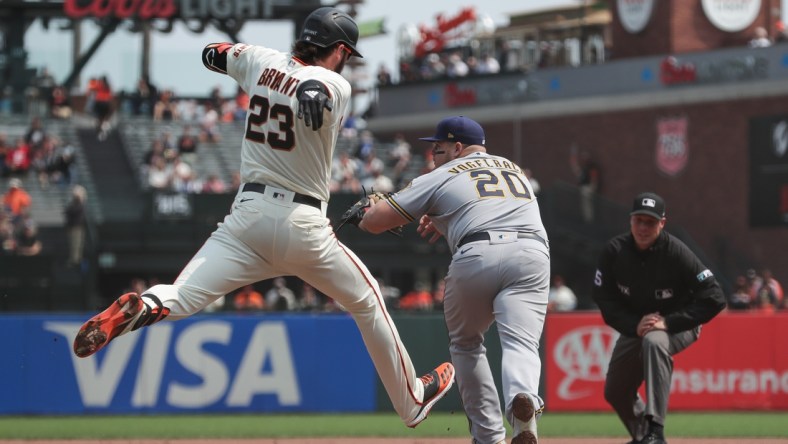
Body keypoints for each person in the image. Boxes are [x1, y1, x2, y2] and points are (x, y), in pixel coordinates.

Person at [71, 6, 454, 429]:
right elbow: (321, 92)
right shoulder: (333, 81)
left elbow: (210, 53)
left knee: (182, 296)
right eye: (347, 54)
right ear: (340, 50)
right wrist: (309, 93)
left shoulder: (259, 59)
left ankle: (143, 306)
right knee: (368, 302)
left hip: (245, 221)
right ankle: (412, 401)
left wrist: (251, 67)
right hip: (301, 223)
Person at [359, 116, 550, 444]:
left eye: (438, 148)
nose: (433, 155)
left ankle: (489, 436)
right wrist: (445, 220)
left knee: (466, 344)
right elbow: (486, 205)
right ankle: (525, 402)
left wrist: (367, 211)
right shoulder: (512, 167)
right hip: (531, 254)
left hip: (477, 253)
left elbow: (375, 222)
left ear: (458, 147)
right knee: (521, 342)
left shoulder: (443, 173)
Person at [592, 192, 726, 444]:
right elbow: (604, 298)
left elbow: (715, 297)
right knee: (616, 391)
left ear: (662, 223)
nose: (643, 227)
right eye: (639, 220)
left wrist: (670, 322)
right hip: (638, 326)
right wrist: (633, 324)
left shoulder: (676, 252)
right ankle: (643, 436)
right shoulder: (614, 251)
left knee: (654, 340)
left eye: (650, 222)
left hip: (678, 323)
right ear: (630, 220)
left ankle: (656, 431)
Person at [64, 185, 87, 267]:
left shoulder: (80, 204)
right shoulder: (73, 204)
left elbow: (75, 210)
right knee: (73, 244)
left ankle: (76, 260)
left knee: (77, 244)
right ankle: (73, 260)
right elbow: (68, 211)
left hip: (77, 226)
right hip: (72, 226)